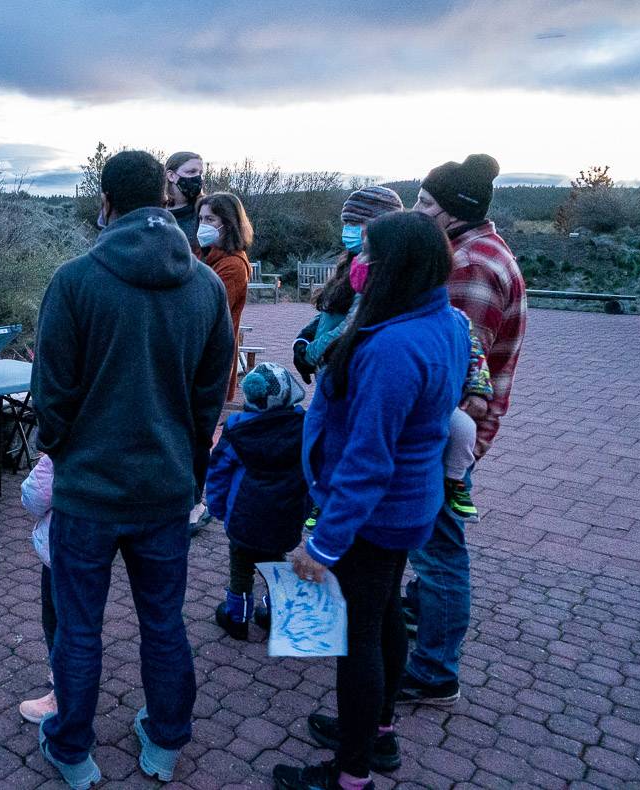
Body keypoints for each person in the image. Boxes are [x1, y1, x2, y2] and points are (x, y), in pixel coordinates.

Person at [32, 150, 234, 787]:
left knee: (79, 627)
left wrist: (62, 450)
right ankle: (166, 742)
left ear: (105, 201)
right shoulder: (202, 286)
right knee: (163, 622)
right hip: (168, 490)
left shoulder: (75, 281)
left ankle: (71, 749)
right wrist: (191, 463)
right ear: (166, 197)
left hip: (88, 492)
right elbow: (210, 395)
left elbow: (52, 394)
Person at [273, 211, 471, 790]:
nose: (359, 265)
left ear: (395, 267)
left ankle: (349, 774)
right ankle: (377, 734)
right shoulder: (446, 322)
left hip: (374, 516)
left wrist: (324, 544)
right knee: (384, 615)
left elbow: (367, 460)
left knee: (354, 640)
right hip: (409, 506)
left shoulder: (392, 348)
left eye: (370, 257)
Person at [400, 154, 527, 706]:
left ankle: (434, 670)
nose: (418, 211)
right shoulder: (480, 250)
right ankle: (421, 610)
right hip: (456, 430)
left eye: (428, 204)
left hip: (446, 434)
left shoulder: (470, 265)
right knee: (436, 544)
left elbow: (449, 365)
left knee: (441, 550)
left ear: (457, 212)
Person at [206, 363, 307, 642]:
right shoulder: (302, 428)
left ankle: (237, 617)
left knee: (240, 567)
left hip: (243, 516)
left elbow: (219, 472)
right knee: (276, 564)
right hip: (284, 516)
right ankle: (275, 614)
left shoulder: (238, 430)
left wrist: (217, 506)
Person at [293, 186, 405, 382]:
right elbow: (333, 310)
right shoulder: (353, 261)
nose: (348, 229)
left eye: (356, 223)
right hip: (328, 369)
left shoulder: (386, 270)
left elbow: (353, 323)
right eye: (346, 222)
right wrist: (305, 337)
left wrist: (311, 354)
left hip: (346, 372)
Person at [197, 192, 255, 401]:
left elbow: (206, 311)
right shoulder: (210, 255)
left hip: (213, 358)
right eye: (201, 219)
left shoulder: (233, 265)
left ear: (228, 224)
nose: (203, 225)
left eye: (210, 219)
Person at [18, 453, 58, 723]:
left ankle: (63, 695)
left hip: (66, 545)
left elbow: (34, 497)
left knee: (58, 620)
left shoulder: (65, 440)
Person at [164, 151, 205, 253]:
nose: (197, 177)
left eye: (200, 173)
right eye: (191, 172)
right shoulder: (155, 212)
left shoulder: (206, 213)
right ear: (171, 176)